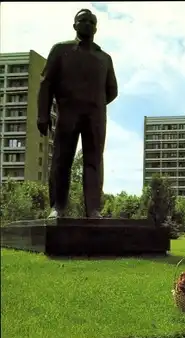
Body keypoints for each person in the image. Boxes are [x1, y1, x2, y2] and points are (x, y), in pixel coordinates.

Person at [37, 9, 118, 219]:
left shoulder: (104, 58)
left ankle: (93, 209)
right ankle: (58, 207)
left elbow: (112, 90)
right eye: (83, 20)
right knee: (62, 159)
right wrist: (43, 115)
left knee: (94, 161)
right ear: (74, 25)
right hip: (68, 113)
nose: (88, 24)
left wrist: (94, 103)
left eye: (92, 21)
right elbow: (46, 83)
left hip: (95, 117)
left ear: (96, 28)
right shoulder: (60, 50)